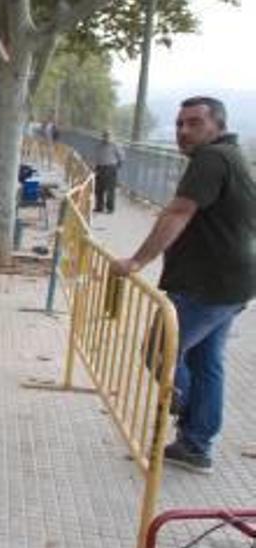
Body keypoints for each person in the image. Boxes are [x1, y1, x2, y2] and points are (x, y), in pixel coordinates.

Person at [112, 96, 256, 474]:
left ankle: (186, 414)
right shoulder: (232, 157)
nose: (183, 131)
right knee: (206, 361)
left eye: (194, 123)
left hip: (207, 286)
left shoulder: (211, 159)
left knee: (160, 352)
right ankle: (195, 444)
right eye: (179, 124)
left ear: (218, 125)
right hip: (231, 284)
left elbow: (177, 211)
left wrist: (136, 261)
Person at [94, 129, 124, 213]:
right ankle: (99, 207)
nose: (106, 137)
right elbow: (97, 157)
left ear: (112, 137)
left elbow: (121, 157)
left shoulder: (116, 145)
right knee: (98, 189)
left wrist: (117, 166)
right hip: (100, 168)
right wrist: (96, 167)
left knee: (110, 190)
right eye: (105, 136)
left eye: (108, 136)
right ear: (102, 136)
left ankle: (110, 208)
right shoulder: (99, 145)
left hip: (111, 168)